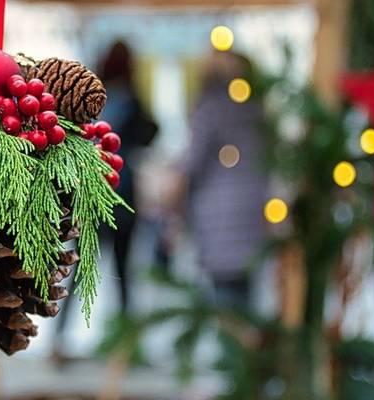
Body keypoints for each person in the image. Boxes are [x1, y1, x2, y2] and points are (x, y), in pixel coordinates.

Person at [53, 40, 159, 360]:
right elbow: (153, 132)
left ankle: (59, 343)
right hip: (122, 199)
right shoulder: (132, 100)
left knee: (81, 270)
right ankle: (127, 347)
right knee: (125, 274)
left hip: (89, 199)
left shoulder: (89, 101)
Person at [176, 51, 268, 307]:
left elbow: (192, 162)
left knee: (226, 301)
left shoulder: (210, 109)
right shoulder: (257, 110)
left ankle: (235, 345)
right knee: (245, 295)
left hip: (219, 212)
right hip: (254, 209)